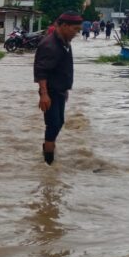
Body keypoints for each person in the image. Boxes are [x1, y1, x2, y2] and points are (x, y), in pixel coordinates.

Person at [34, 11, 83, 165]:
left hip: (59, 89)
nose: (76, 33)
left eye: (78, 30)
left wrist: (65, 89)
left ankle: (49, 152)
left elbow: (62, 68)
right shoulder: (50, 45)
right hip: (50, 91)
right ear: (64, 26)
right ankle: (48, 161)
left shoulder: (64, 42)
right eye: (75, 29)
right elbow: (41, 71)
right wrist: (44, 94)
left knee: (59, 122)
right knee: (53, 123)